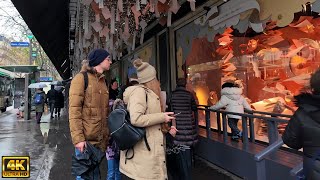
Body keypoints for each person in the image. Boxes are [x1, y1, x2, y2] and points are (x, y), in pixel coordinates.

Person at [120, 59, 176, 180]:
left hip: (149, 152)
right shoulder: (140, 92)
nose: (157, 81)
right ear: (151, 79)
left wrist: (167, 126)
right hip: (143, 155)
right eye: (155, 78)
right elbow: (136, 118)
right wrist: (162, 116)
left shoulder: (149, 93)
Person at [69, 48, 112, 179]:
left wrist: (107, 135)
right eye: (107, 59)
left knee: (94, 175)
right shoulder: (81, 78)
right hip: (86, 141)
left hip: (100, 140)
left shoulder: (103, 81)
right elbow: (74, 111)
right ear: (99, 61)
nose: (110, 61)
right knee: (83, 175)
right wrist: (78, 139)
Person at [282, 69, 320, 180]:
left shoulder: (302, 112)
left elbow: (289, 139)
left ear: (313, 89)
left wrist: (305, 141)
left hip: (313, 162)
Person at [167, 78, 198, 180]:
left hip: (177, 125)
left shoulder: (172, 95)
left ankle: (180, 172)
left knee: (178, 150)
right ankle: (187, 170)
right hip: (188, 125)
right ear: (185, 84)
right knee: (187, 149)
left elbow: (169, 108)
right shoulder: (189, 95)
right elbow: (194, 107)